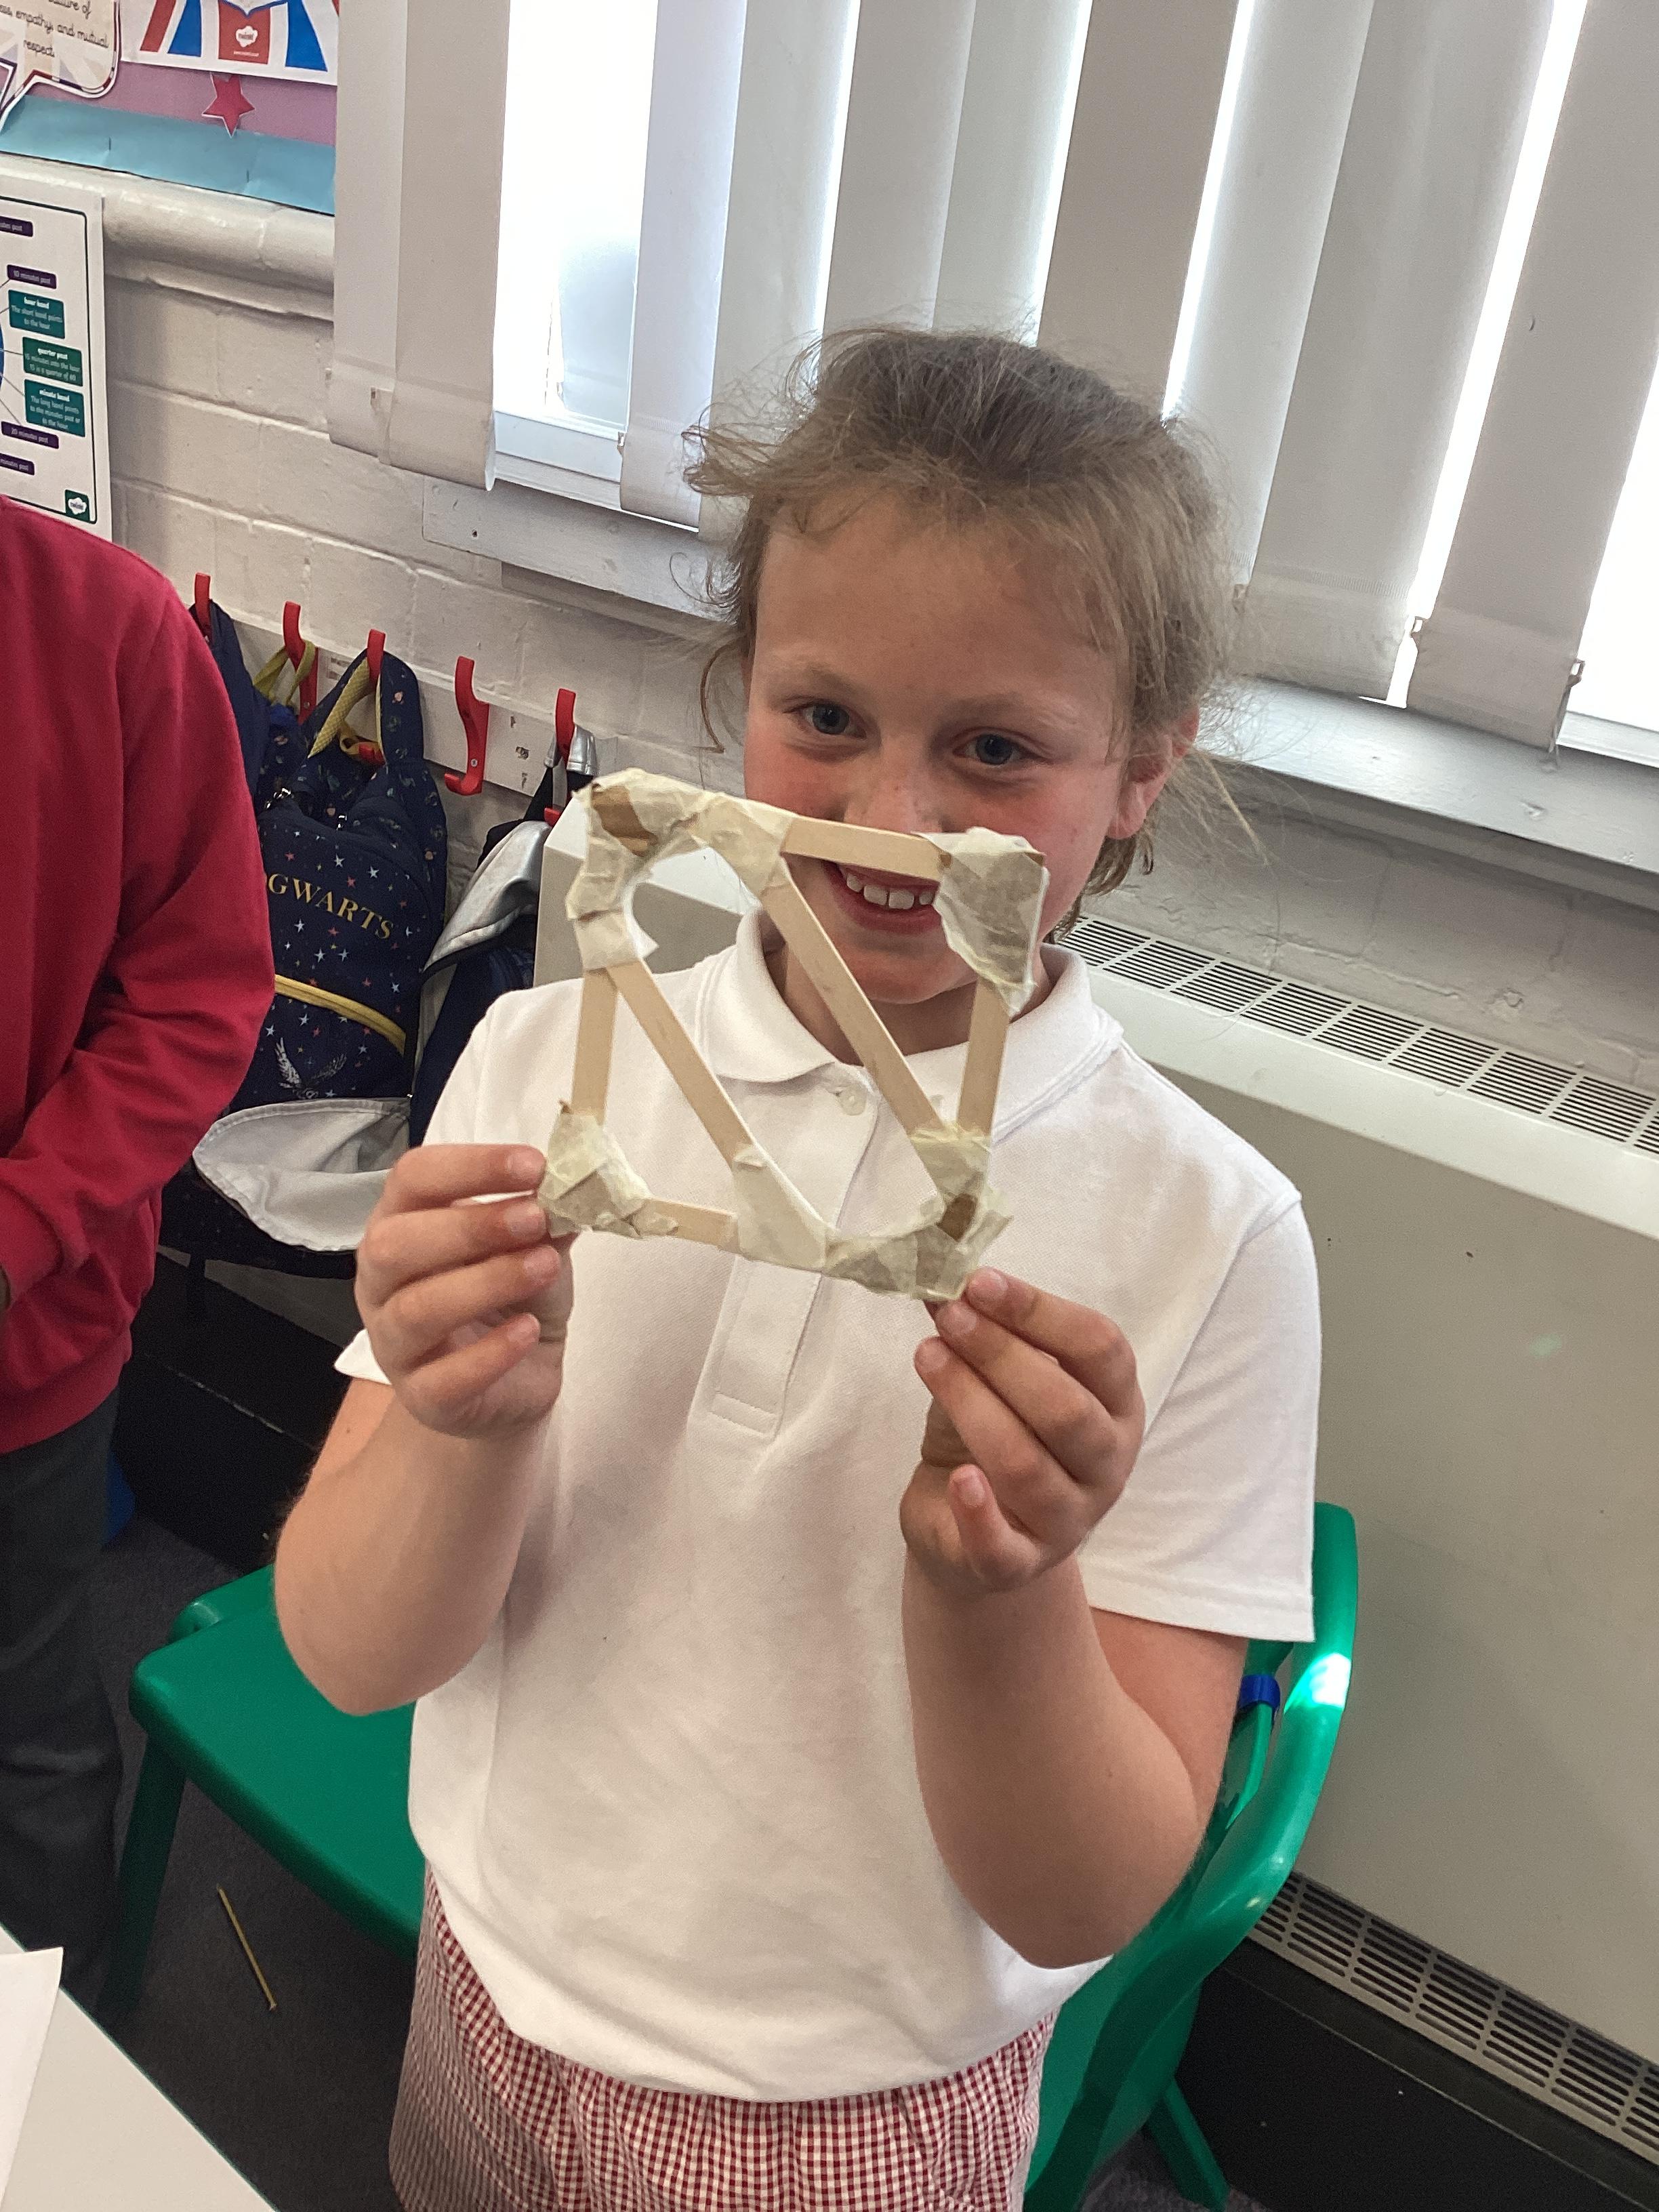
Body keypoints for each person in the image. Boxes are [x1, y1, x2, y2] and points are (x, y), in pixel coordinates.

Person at [275, 331, 1320, 2211]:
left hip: (861, 2109)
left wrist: (1002, 1589)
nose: (892, 822)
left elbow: (1084, 1896)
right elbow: (352, 1656)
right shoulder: (539, 1070)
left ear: (1141, 770)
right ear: (738, 686)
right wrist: (456, 1417)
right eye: (824, 716)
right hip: (491, 1984)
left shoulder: (1206, 1231)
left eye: (996, 748)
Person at [0, 501, 274, 2002]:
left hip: (25, 1338)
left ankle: (51, 2074)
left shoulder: (110, 630)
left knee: (26, 1726)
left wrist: (24, 1222)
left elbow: (195, 993)